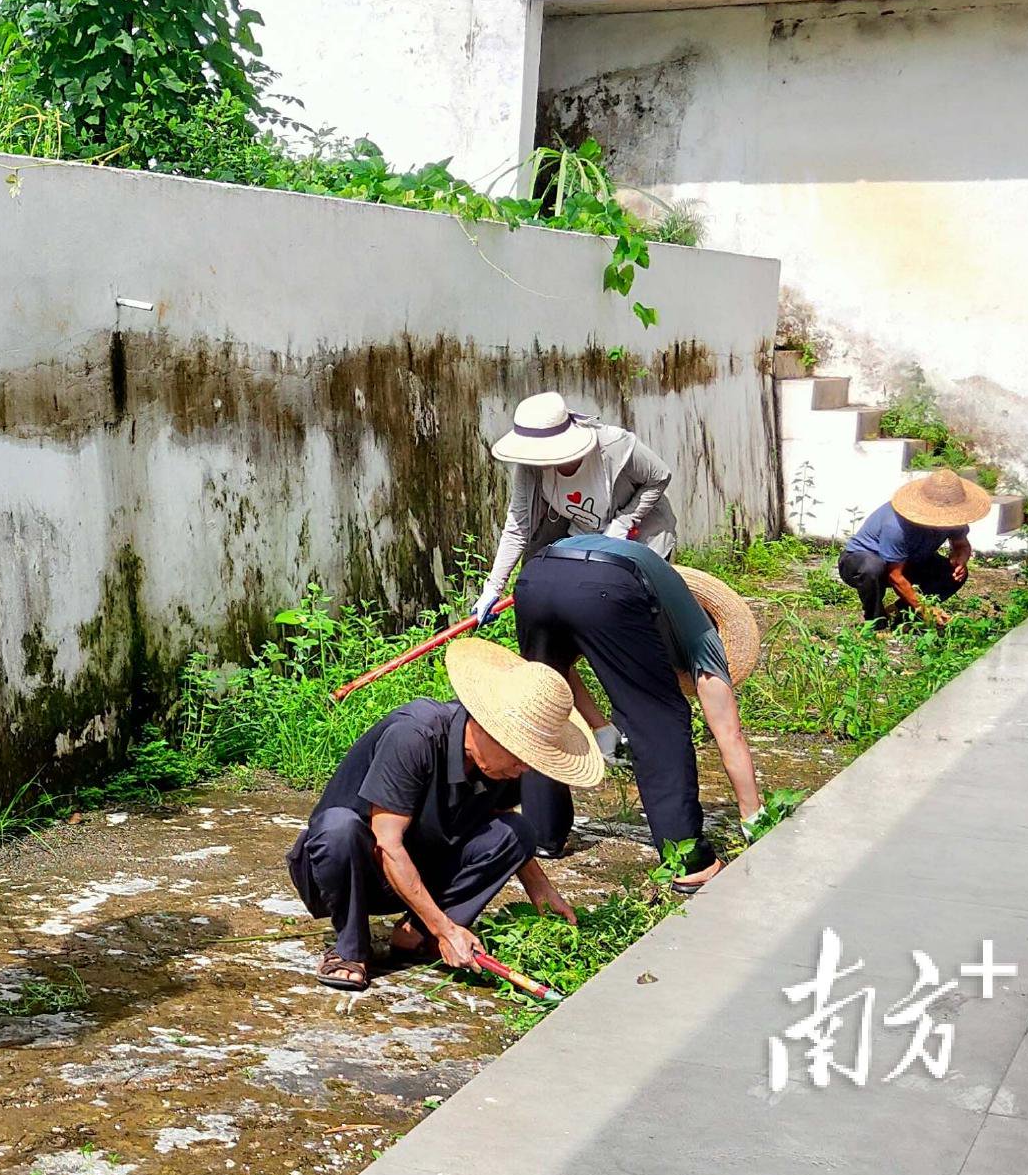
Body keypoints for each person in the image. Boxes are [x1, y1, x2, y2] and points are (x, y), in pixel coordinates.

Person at [285, 639, 601, 991]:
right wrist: (447, 929)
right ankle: (350, 948)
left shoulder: (503, 765)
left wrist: (542, 891)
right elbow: (387, 845)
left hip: (424, 866)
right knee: (338, 828)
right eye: (519, 752)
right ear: (484, 726)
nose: (524, 766)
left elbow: (500, 815)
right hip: (355, 869)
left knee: (518, 833)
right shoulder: (414, 736)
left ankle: (413, 934)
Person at [514, 535, 767, 861]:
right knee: (659, 719)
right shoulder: (705, 638)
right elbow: (729, 734)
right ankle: (688, 860)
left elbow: (561, 674)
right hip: (606, 583)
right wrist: (754, 817)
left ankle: (542, 835)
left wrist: (601, 728)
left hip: (536, 575)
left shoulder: (661, 594)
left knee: (543, 693)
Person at [470, 391, 678, 756]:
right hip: (581, 543)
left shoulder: (615, 446)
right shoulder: (531, 464)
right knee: (553, 639)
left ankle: (651, 723)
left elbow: (659, 477)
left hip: (641, 535)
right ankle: (602, 730)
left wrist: (624, 522)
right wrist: (493, 586)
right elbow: (518, 525)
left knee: (633, 634)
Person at [837, 469, 988, 627]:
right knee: (872, 567)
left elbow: (961, 544)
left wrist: (961, 559)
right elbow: (894, 575)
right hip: (862, 562)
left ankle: (901, 610)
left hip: (910, 560)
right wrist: (925, 609)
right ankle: (875, 620)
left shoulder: (954, 518)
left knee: (953, 574)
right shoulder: (896, 526)